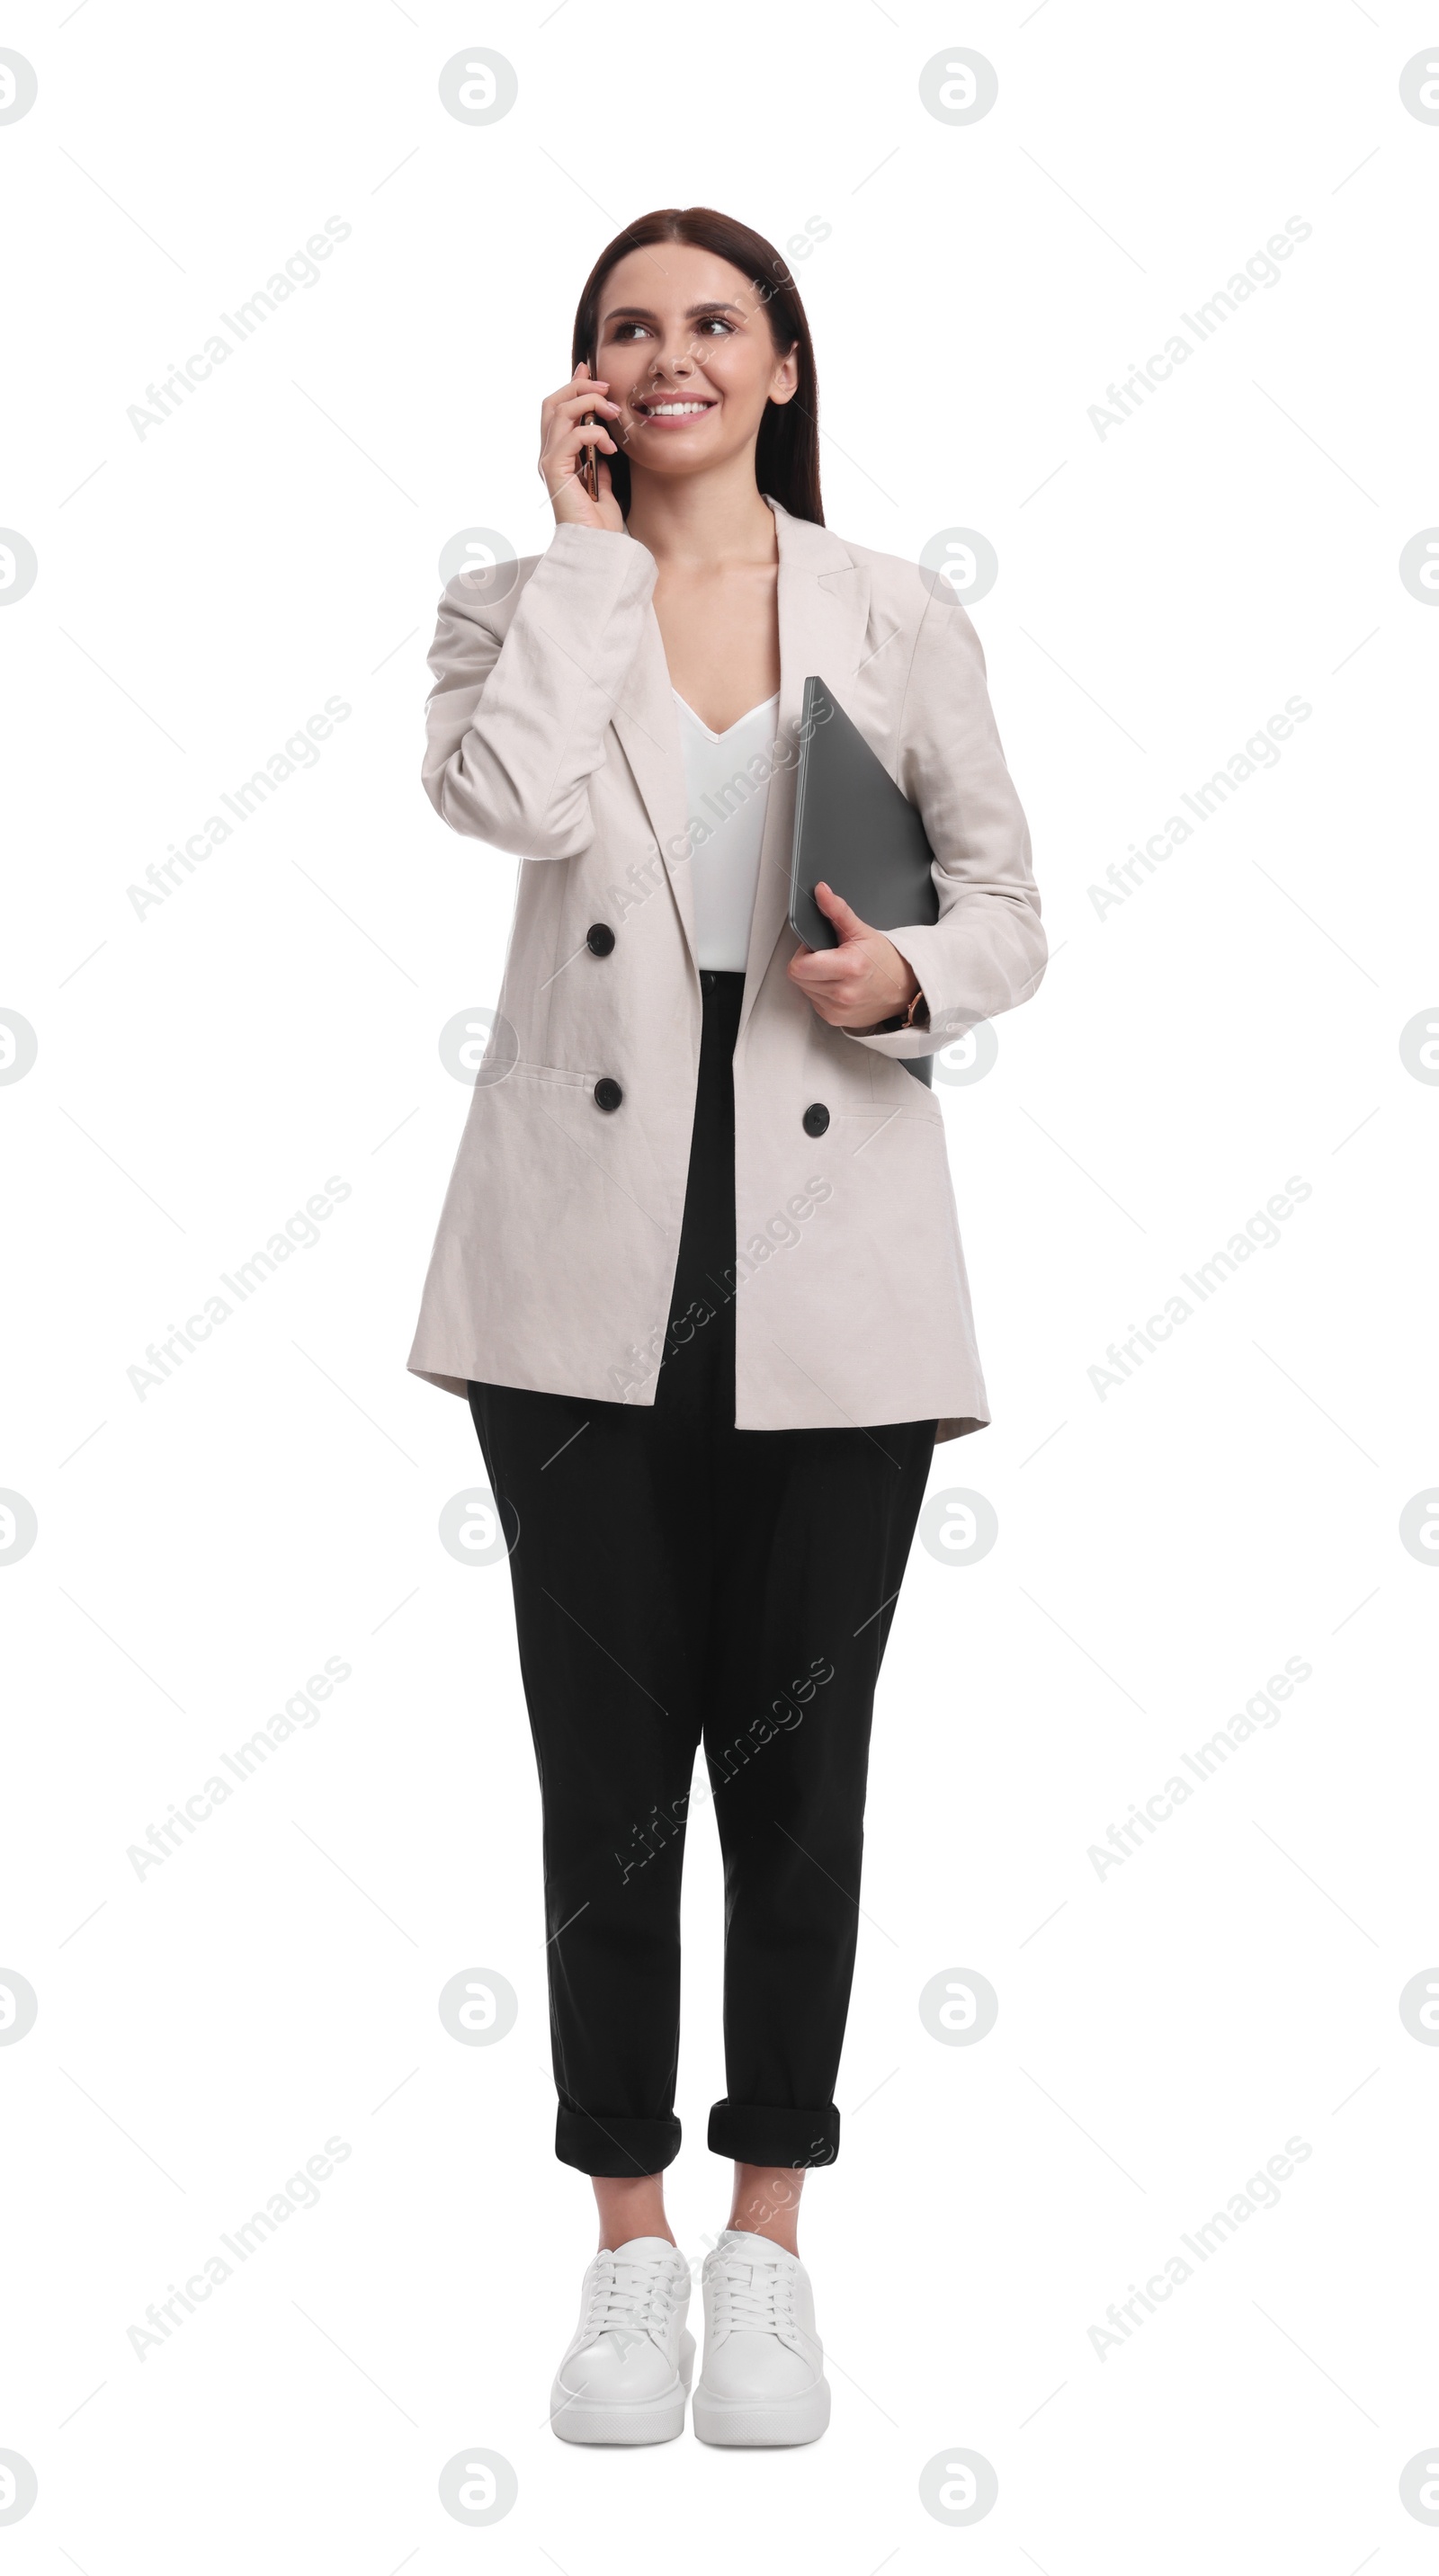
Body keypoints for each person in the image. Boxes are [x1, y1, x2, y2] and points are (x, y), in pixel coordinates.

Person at [407, 205, 1045, 2447]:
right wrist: (585, 559)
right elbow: (499, 803)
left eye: (707, 322)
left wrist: (913, 977)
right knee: (601, 1790)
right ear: (584, 378)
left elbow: (1008, 904)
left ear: (781, 362)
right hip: (571, 1274)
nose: (665, 350)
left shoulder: (895, 610)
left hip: (831, 1261)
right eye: (622, 327)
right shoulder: (512, 606)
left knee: (798, 1773)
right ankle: (624, 2246)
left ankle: (770, 2237)